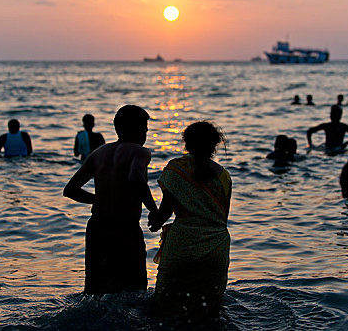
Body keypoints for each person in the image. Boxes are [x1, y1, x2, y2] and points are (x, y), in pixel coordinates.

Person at [63, 105, 158, 296]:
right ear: (139, 129)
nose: (146, 133)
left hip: (97, 228)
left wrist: (98, 199)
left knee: (95, 291)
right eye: (145, 129)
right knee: (135, 289)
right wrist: (154, 211)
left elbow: (71, 190)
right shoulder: (140, 151)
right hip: (125, 228)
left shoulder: (98, 153)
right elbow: (135, 177)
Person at [148, 121, 232, 322]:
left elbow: (166, 211)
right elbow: (220, 219)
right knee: (208, 313)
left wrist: (155, 220)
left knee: (165, 309)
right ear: (215, 145)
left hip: (183, 243)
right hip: (216, 246)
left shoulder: (176, 169)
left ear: (186, 144)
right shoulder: (224, 176)